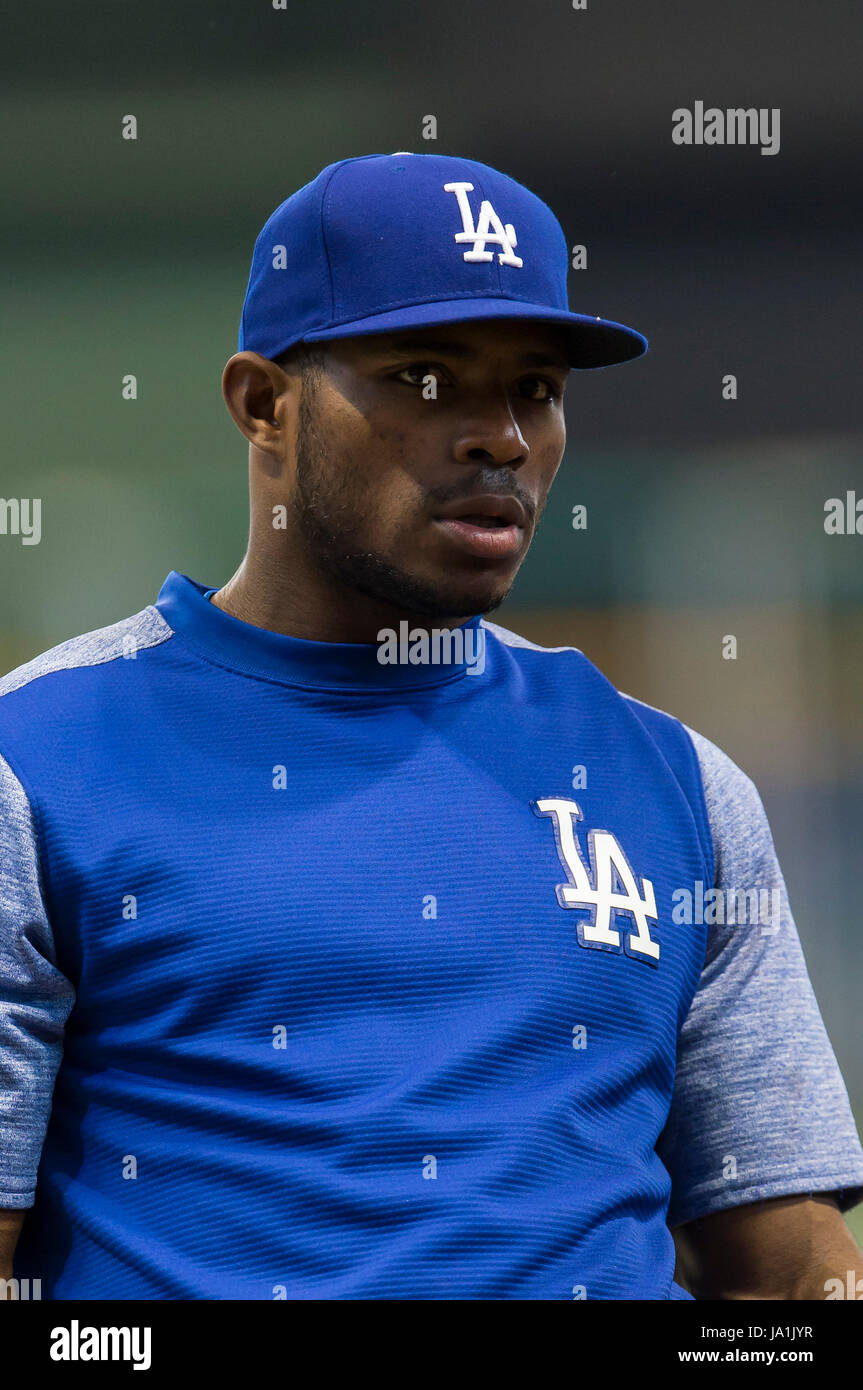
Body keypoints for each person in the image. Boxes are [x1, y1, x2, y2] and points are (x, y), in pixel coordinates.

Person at [2, 153, 861, 1300]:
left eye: (536, 389)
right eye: (422, 377)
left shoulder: (677, 785)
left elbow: (788, 1276)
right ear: (264, 404)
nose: (499, 436)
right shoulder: (38, 764)